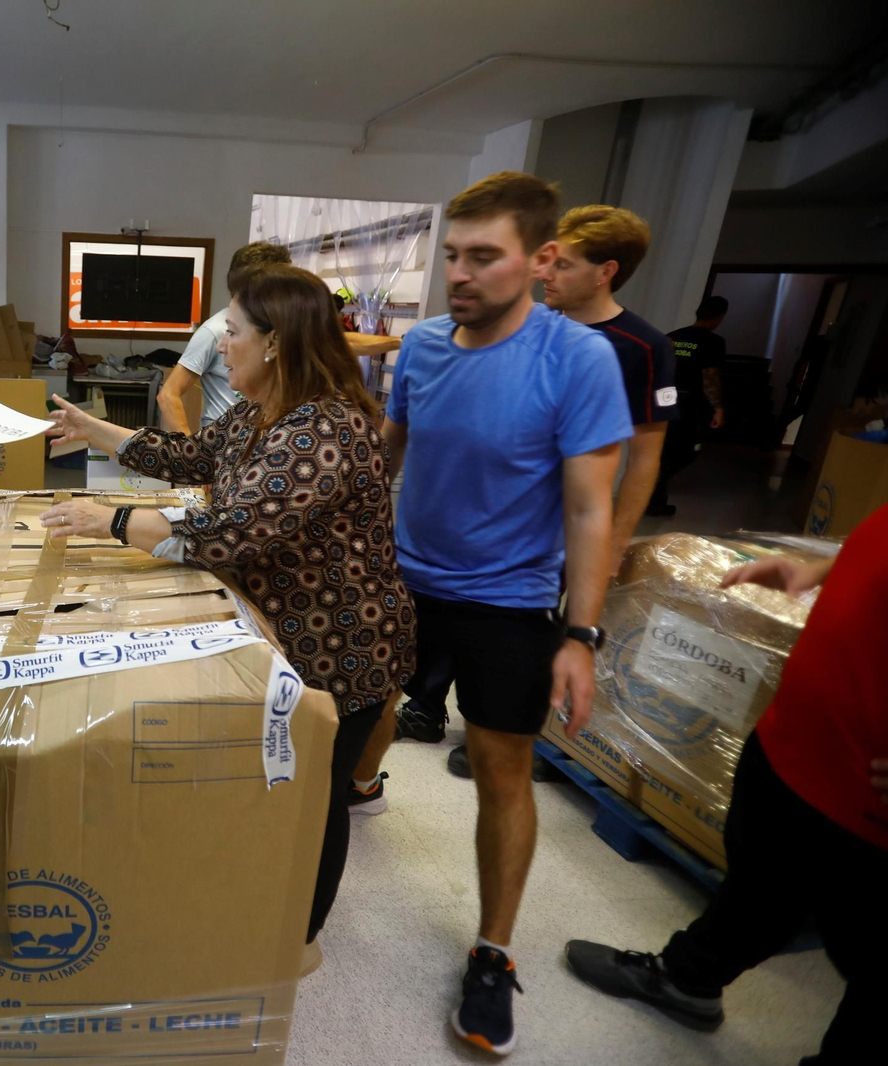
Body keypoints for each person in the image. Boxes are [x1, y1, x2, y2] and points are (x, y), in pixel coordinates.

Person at [40, 262, 415, 964]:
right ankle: (257, 898)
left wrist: (111, 518)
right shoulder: (261, 407)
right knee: (285, 783)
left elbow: (226, 533)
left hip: (341, 643)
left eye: (233, 332)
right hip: (288, 630)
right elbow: (191, 456)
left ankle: (300, 939)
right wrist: (97, 429)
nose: (223, 346)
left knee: (317, 794)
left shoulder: (320, 429)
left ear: (275, 343)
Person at [383, 172, 632, 1055]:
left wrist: (581, 635)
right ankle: (359, 796)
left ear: (542, 259)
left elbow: (590, 508)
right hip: (405, 582)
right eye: (452, 255)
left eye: (484, 256)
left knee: (500, 770)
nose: (460, 273)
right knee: (359, 716)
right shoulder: (418, 349)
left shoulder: (578, 361)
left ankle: (494, 952)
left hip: (509, 603)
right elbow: (391, 454)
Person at [566, 501, 888, 1066]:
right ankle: (688, 979)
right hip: (799, 747)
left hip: (868, 806)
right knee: (763, 877)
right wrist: (823, 569)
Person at [434, 203, 680, 781]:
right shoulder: (516, 329)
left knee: (542, 630)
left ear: (606, 271)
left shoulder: (639, 347)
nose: (546, 273)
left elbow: (647, 455)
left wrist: (616, 537)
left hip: (564, 524)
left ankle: (520, 732)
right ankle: (430, 707)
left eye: (563, 264)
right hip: (481, 520)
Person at [155, 241, 292, 434]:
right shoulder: (214, 330)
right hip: (222, 444)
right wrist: (188, 451)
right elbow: (168, 394)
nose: (223, 346)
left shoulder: (289, 328)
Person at [649, 295, 728, 516]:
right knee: (688, 451)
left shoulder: (673, 337)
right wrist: (718, 407)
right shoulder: (714, 342)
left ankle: (655, 501)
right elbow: (709, 376)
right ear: (720, 317)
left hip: (664, 399)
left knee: (665, 451)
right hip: (689, 404)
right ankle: (653, 493)